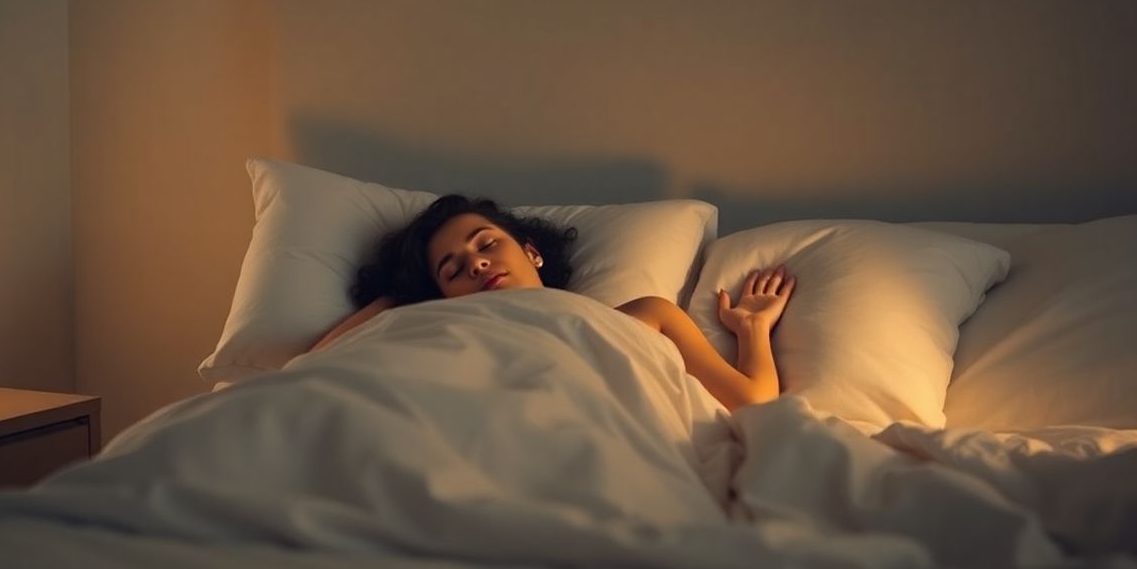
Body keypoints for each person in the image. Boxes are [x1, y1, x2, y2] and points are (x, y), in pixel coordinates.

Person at [309, 195, 795, 411]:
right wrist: (404, 298)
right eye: (453, 270)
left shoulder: (645, 315)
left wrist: (752, 330)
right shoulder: (439, 336)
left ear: (532, 253)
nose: (476, 263)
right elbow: (314, 369)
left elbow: (752, 403)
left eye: (486, 244)